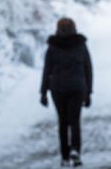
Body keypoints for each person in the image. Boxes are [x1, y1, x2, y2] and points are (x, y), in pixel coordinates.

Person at [40, 17, 93, 167]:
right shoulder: (81, 45)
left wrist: (43, 92)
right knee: (75, 121)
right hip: (77, 87)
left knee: (63, 122)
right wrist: (89, 92)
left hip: (58, 88)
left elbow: (46, 70)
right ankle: (75, 151)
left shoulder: (52, 46)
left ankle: (64, 156)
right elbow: (88, 69)